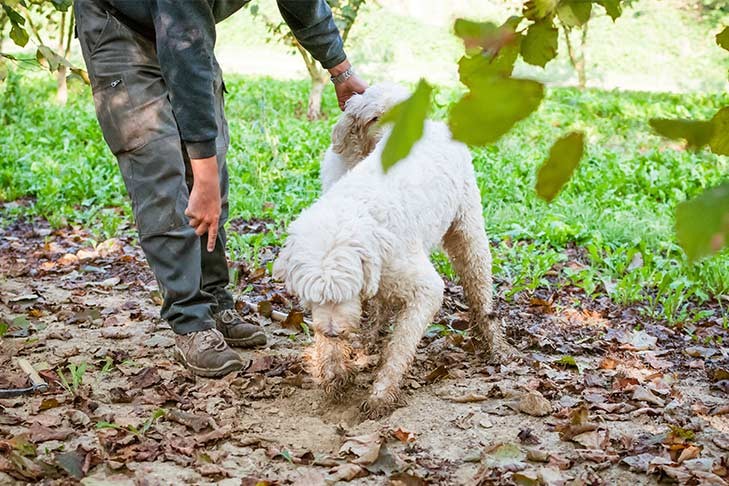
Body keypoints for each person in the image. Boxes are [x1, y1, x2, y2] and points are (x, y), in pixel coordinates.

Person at [73, 0, 368, 378]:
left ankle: (214, 300)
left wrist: (341, 70)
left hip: (185, 28)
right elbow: (184, 46)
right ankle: (190, 320)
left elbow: (303, 3)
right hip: (121, 26)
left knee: (213, 166)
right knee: (161, 167)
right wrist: (204, 178)